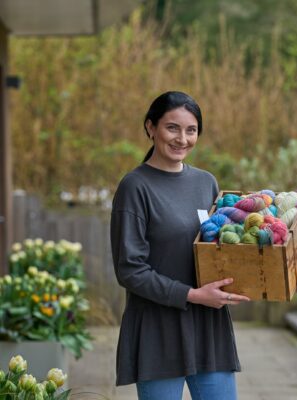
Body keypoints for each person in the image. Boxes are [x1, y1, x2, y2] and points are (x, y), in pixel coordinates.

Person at [111, 91, 250, 400]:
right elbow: (129, 270)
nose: (182, 139)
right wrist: (192, 295)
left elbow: (221, 246)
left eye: (191, 130)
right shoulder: (135, 187)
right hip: (158, 331)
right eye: (172, 128)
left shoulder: (206, 183)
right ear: (151, 127)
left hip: (208, 329)